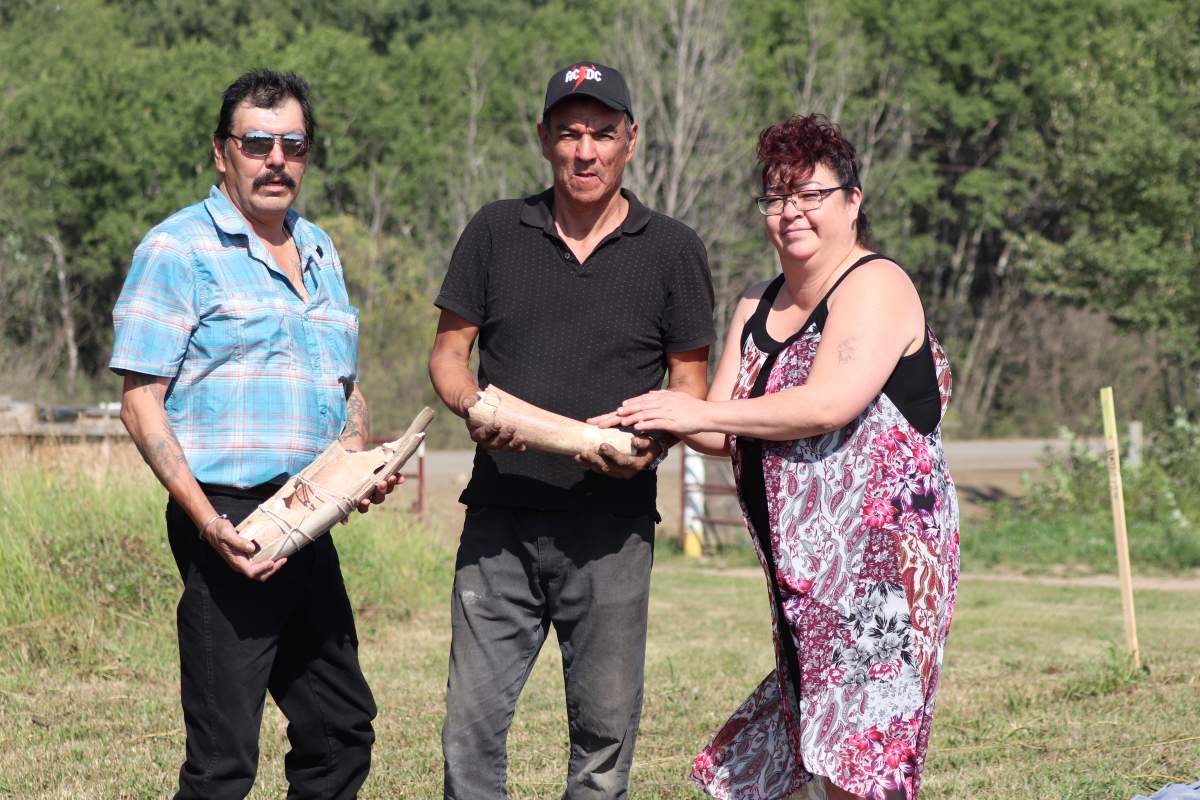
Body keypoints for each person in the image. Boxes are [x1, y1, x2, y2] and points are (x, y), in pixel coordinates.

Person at [607, 115, 959, 800]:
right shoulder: (757, 301)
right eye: (776, 197)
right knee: (807, 750)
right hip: (801, 576)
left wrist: (698, 412)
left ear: (853, 200)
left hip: (879, 574)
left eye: (810, 194)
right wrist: (651, 417)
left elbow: (828, 402)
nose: (791, 212)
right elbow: (722, 428)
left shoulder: (875, 284)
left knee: (859, 761)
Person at [428, 61, 715, 799]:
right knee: (471, 732)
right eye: (568, 134)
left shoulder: (673, 249)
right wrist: (475, 411)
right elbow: (450, 356)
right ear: (544, 140)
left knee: (603, 738)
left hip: (611, 530)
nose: (584, 151)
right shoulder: (496, 230)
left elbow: (690, 384)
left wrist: (652, 444)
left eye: (601, 134)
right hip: (500, 524)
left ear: (630, 141)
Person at [110, 70, 396, 799]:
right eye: (257, 143)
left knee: (340, 730)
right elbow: (141, 401)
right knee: (224, 759)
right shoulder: (178, 249)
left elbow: (344, 386)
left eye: (292, 144)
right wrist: (207, 522)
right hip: (228, 516)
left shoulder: (321, 249)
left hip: (309, 511)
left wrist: (356, 464)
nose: (276, 160)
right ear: (221, 152)